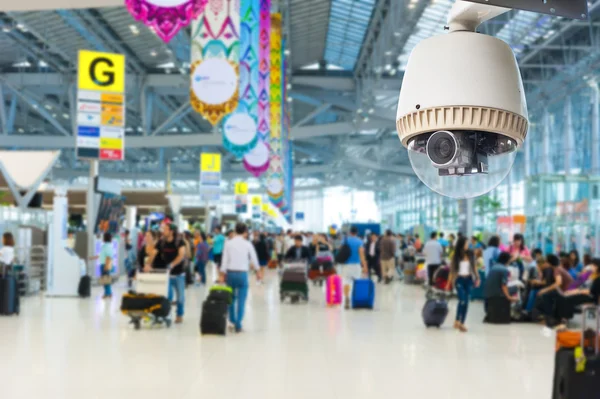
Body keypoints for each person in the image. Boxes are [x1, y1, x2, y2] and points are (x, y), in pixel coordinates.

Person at [219, 223, 260, 333]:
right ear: (245, 232)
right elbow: (254, 258)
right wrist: (258, 271)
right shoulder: (247, 244)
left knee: (231, 298)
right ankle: (238, 324)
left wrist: (222, 274)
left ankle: (232, 320)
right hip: (242, 274)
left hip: (231, 274)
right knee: (242, 300)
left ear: (235, 231)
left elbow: (224, 260)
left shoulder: (228, 243)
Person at [448, 236, 480, 332]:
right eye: (466, 243)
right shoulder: (456, 255)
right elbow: (452, 270)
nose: (468, 245)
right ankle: (457, 320)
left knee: (466, 302)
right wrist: (449, 283)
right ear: (461, 244)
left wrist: (478, 278)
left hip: (469, 280)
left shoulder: (470, 253)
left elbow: (474, 267)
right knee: (462, 300)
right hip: (459, 280)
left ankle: (462, 323)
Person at [156, 224, 187, 323]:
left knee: (180, 297)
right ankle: (167, 314)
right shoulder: (162, 242)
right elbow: (154, 252)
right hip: (167, 275)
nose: (163, 231)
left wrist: (172, 264)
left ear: (171, 231)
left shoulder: (180, 242)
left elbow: (181, 255)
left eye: (165, 229)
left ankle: (179, 314)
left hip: (179, 274)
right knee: (168, 296)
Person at [534, 254, 574, 326]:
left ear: (549, 263)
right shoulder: (558, 268)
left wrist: (545, 290)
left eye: (546, 262)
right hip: (566, 291)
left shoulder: (557, 270)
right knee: (546, 294)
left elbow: (558, 282)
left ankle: (549, 318)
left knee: (545, 295)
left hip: (567, 292)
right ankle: (550, 318)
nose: (545, 263)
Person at [484, 251, 519, 323]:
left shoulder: (493, 267)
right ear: (507, 260)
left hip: (488, 294)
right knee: (516, 287)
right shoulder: (504, 270)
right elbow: (504, 286)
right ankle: (516, 310)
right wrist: (509, 297)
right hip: (498, 294)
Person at [340, 226, 368, 309]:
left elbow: (341, 252)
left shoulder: (345, 241)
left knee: (346, 282)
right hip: (356, 265)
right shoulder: (359, 241)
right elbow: (361, 254)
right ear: (357, 232)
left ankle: (347, 298)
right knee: (356, 282)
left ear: (350, 232)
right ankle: (355, 299)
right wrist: (365, 266)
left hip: (346, 265)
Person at [99, 232, 114, 299]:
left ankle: (106, 293)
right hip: (104, 264)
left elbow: (108, 256)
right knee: (106, 279)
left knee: (105, 280)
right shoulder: (106, 245)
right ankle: (109, 293)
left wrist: (106, 266)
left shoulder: (107, 246)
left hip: (105, 265)